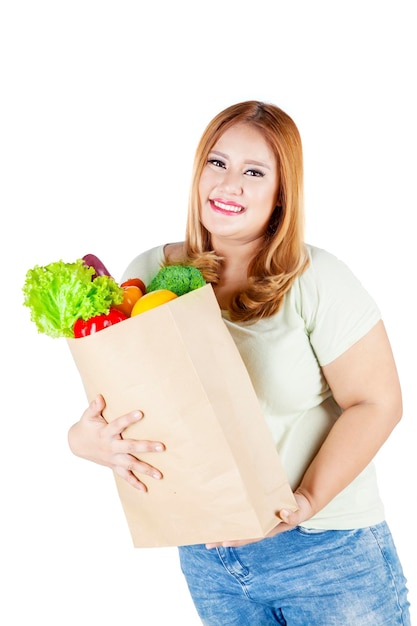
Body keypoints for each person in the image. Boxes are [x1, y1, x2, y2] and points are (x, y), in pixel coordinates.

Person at [68, 100, 411, 625]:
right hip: (210, 558)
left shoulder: (316, 278)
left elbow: (377, 402)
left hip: (327, 552)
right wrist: (85, 440)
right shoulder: (148, 272)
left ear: (281, 192)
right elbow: (127, 404)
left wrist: (303, 501)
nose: (230, 185)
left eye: (254, 172)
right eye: (217, 163)